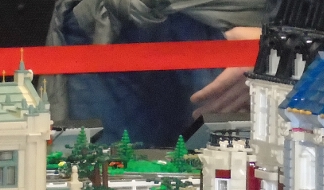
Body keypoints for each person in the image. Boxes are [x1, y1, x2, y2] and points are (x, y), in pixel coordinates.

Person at [46, 0, 265, 148]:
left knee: (223, 185)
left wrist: (275, 45)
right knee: (96, 184)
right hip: (105, 24)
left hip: (227, 27)